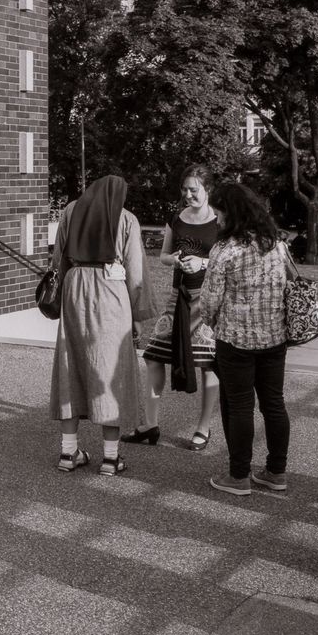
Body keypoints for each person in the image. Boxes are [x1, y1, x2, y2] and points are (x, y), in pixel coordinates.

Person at [49, 173, 156, 476]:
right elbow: (135, 276)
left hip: (75, 288)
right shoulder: (126, 219)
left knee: (70, 367)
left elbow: (59, 260)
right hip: (111, 292)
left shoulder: (70, 211)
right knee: (112, 369)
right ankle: (110, 458)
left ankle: (68, 453)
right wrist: (137, 318)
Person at [194, 180, 291, 497]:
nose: (216, 219)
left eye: (219, 213)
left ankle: (239, 476)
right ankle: (276, 472)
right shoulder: (275, 243)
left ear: (231, 213)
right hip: (275, 337)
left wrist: (212, 323)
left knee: (238, 407)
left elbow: (208, 302)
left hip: (235, 341)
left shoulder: (225, 249)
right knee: (273, 404)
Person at [132, 164, 222, 451]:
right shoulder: (176, 217)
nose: (188, 194)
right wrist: (176, 260)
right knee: (154, 356)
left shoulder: (220, 220)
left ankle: (203, 427)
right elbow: (163, 256)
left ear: (208, 189)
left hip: (207, 299)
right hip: (178, 295)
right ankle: (150, 423)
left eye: (194, 190)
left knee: (209, 363)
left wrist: (202, 262)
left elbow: (228, 258)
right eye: (185, 189)